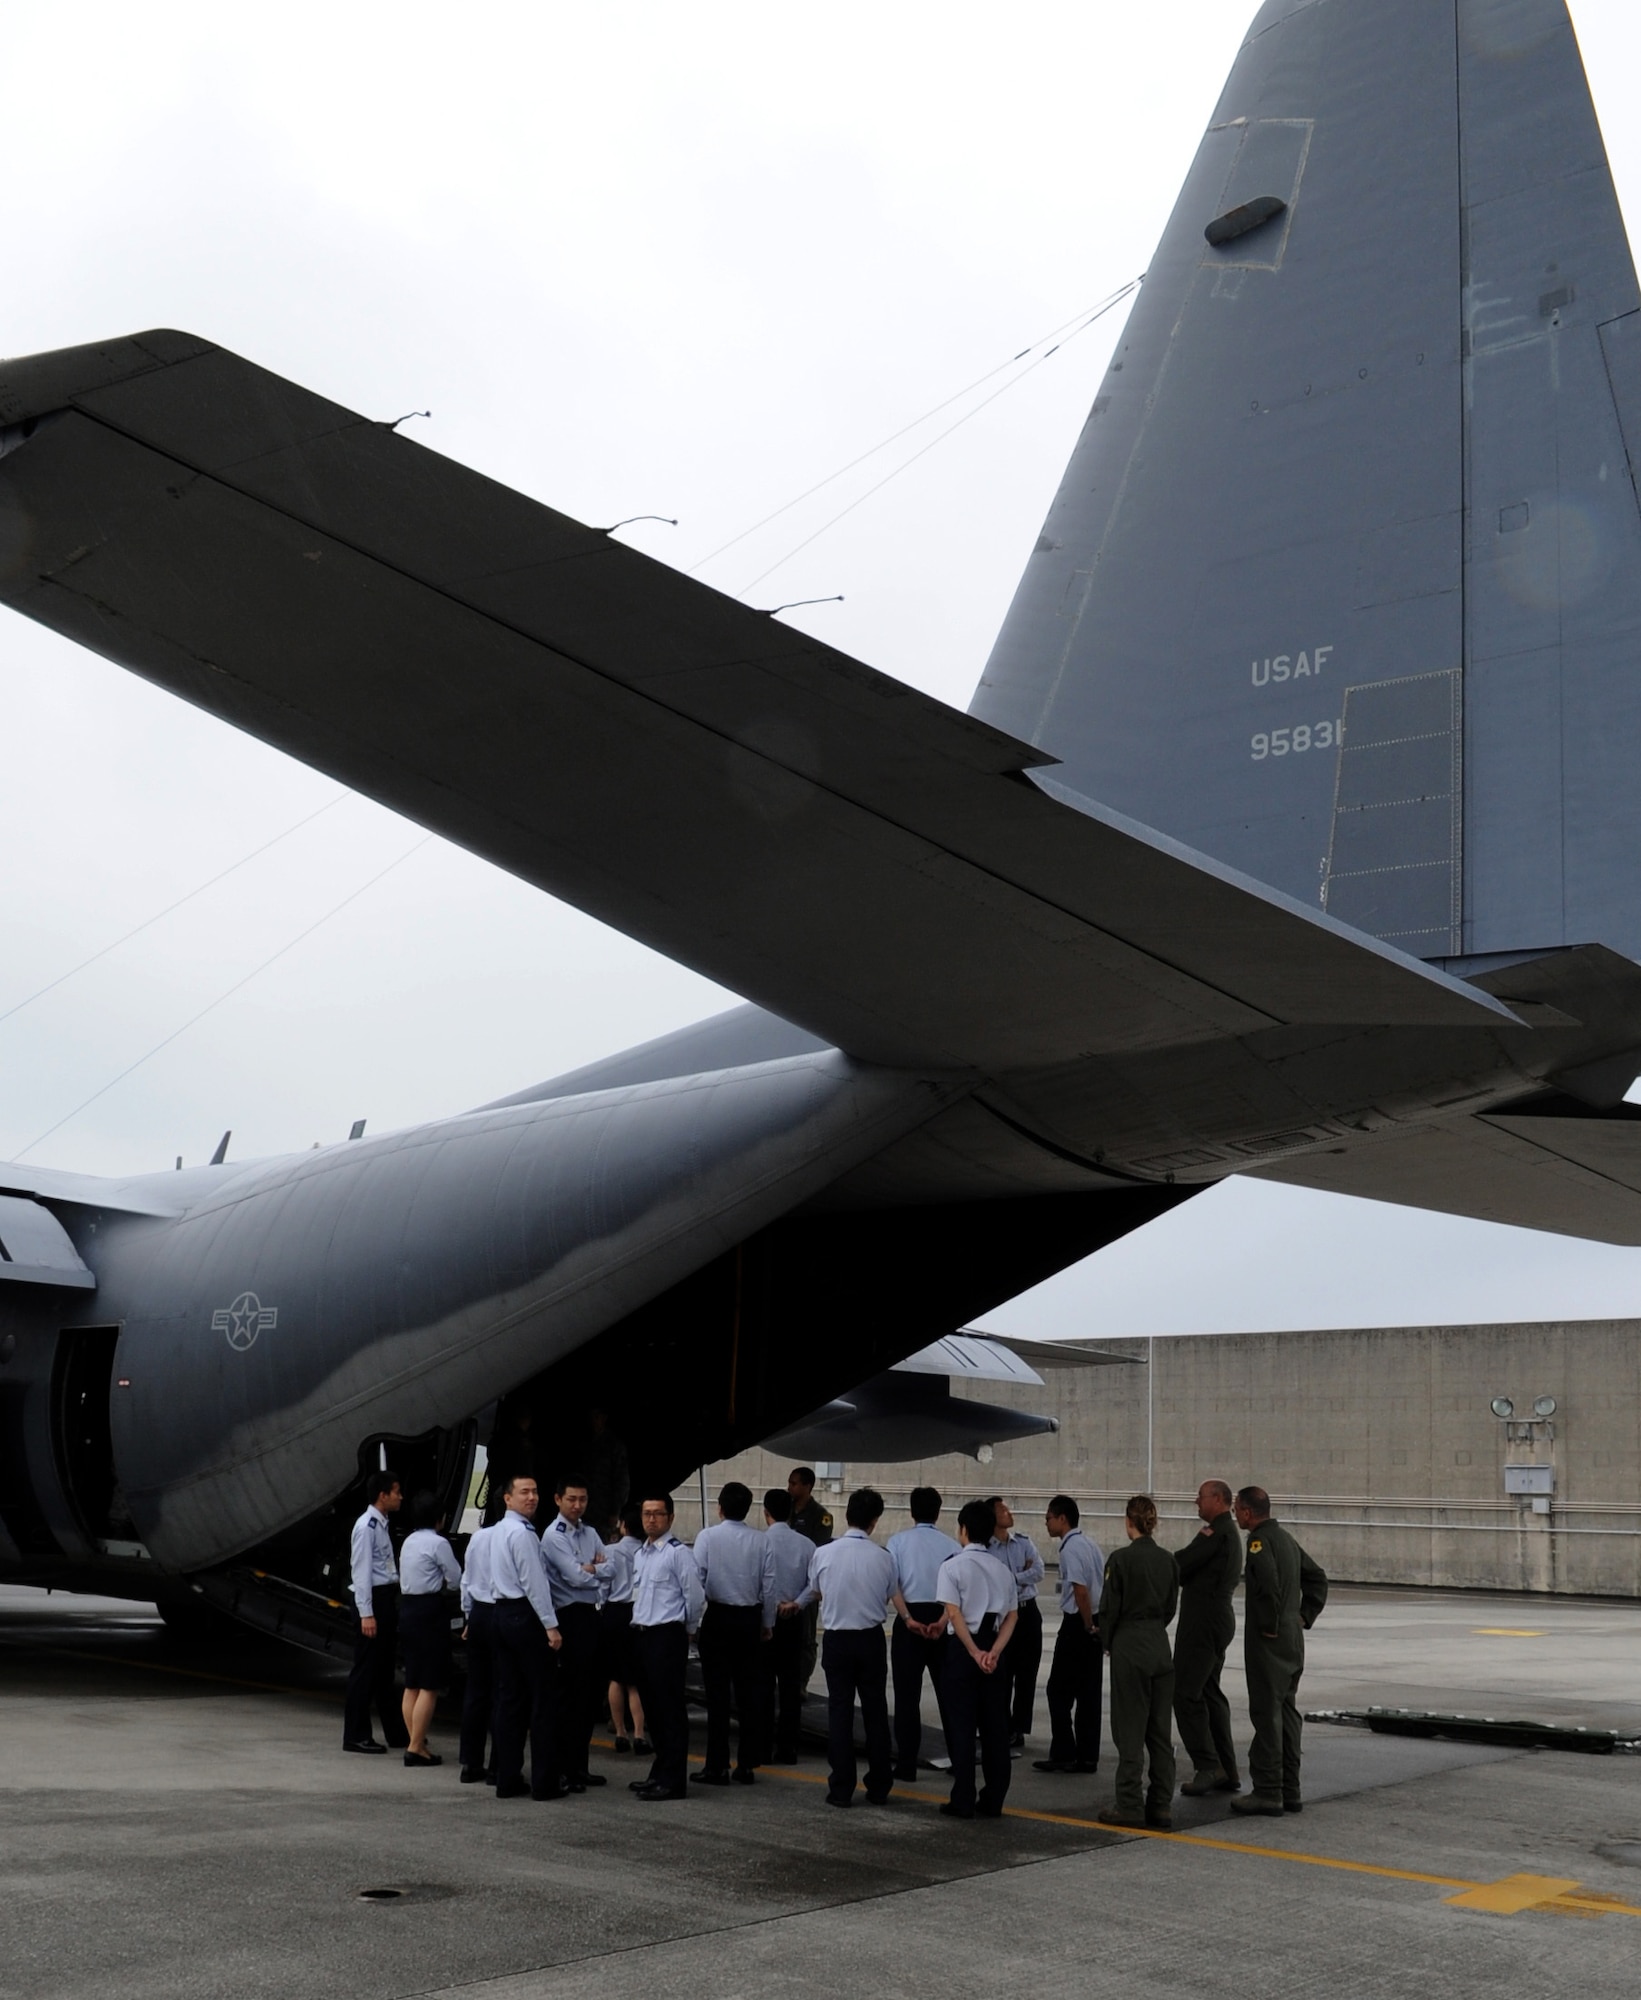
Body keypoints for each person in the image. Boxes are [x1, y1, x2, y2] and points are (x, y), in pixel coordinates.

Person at [1230, 1486, 1328, 1818]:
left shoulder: (1259, 1542)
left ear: (1247, 1512)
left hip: (1269, 1640)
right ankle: (1291, 1790)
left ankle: (1268, 1791)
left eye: (1236, 1509)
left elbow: (1268, 1582)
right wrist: (1303, 1615)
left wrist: (1271, 1622)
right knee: (1287, 1711)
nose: (1234, 1514)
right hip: (1291, 1637)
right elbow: (1317, 1578)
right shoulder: (1286, 1540)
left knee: (1266, 1712)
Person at [799, 1486, 897, 1808]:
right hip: (870, 1639)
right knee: (875, 1711)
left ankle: (841, 1787)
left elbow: (815, 1590)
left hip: (837, 1639)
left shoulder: (824, 1553)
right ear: (875, 1521)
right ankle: (880, 1785)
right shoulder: (884, 1557)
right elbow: (886, 1595)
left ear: (847, 1516)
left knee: (839, 1711)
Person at [1095, 1495, 1179, 1830]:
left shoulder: (1120, 1560)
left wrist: (1107, 1640)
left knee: (1129, 1729)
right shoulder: (1169, 1561)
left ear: (1129, 1521)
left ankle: (1129, 1803)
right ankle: (1161, 1805)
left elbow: (1110, 1608)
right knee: (1160, 1732)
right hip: (1159, 1645)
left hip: (1130, 1645)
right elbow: (1171, 1606)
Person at [936, 1498, 1017, 1820]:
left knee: (962, 1727)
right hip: (995, 1649)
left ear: (964, 1530)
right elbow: (1012, 1616)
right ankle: (994, 1798)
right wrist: (993, 1652)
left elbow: (953, 1614)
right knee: (996, 1729)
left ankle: (963, 1798)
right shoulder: (1003, 1569)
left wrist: (974, 1652)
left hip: (963, 1650)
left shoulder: (952, 1567)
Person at [692, 1480, 777, 1785]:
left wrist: (693, 1622)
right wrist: (767, 1624)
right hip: (749, 1619)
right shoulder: (762, 1541)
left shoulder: (707, 1537)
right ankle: (747, 1764)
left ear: (720, 1507)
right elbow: (769, 1587)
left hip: (717, 1617)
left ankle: (716, 1765)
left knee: (717, 1695)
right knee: (748, 1695)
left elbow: (696, 1581)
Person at [489, 1473, 565, 1800]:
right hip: (524, 1615)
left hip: (500, 1613)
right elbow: (535, 1583)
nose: (532, 1497)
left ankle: (506, 1778)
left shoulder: (495, 1531)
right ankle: (545, 1784)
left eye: (535, 1491)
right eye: (524, 1492)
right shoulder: (522, 1535)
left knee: (510, 1700)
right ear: (507, 1498)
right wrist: (550, 1625)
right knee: (542, 1701)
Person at [628, 1491, 705, 1801]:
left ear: (670, 1518)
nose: (651, 1519)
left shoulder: (678, 1554)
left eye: (658, 1514)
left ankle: (673, 1780)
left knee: (670, 1710)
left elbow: (695, 1597)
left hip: (667, 1636)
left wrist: (687, 1630)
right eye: (647, 1513)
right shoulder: (640, 1554)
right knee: (653, 1710)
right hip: (643, 1635)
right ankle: (659, 1771)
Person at [1172, 1479, 1244, 1796]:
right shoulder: (1225, 1532)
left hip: (1203, 1623)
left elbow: (1183, 1564)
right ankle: (1226, 1768)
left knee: (1185, 1693)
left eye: (1200, 1497)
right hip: (1215, 1620)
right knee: (1210, 1694)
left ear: (1218, 1499)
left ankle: (1207, 1765)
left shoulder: (1216, 1532)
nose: (1196, 1502)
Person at [540, 1476, 609, 1792]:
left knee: (587, 1698)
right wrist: (594, 1571)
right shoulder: (554, 1536)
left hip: (590, 1616)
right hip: (567, 1617)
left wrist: (592, 1571)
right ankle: (564, 1769)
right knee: (568, 1698)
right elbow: (574, 1577)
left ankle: (580, 1767)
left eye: (582, 1499)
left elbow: (611, 1571)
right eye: (571, 1499)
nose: (578, 1505)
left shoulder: (591, 1532)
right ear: (558, 1500)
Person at [886, 1487, 960, 1779]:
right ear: (938, 1512)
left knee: (907, 1697)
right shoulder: (952, 1544)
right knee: (949, 1695)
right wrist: (943, 1620)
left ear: (912, 1511)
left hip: (910, 1620)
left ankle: (906, 1764)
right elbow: (957, 1590)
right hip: (943, 1619)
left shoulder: (898, 1542)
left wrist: (907, 1619)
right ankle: (958, 1759)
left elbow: (894, 1585)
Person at [1034, 1494, 1104, 1774]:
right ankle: (1087, 1756)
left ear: (1063, 1519)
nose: (1046, 1522)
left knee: (1057, 1691)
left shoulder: (1070, 1549)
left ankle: (1064, 1751)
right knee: (1089, 1693)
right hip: (1094, 1620)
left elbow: (1080, 1590)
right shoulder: (1090, 1543)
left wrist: (1086, 1625)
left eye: (1049, 1517)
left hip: (1078, 1624)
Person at [343, 1469, 410, 1754]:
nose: (400, 1497)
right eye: (396, 1492)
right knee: (365, 1671)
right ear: (383, 1496)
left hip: (385, 1597)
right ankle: (355, 1735)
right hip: (372, 1601)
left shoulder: (381, 1523)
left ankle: (396, 1733)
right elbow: (361, 1574)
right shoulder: (366, 1526)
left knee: (384, 1672)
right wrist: (366, 1614)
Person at [398, 1490, 462, 1767]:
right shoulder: (438, 1543)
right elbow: (456, 1579)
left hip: (408, 1609)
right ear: (440, 1518)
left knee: (412, 1682)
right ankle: (415, 1747)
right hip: (429, 1610)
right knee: (430, 1684)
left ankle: (416, 1740)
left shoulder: (409, 1541)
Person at [987, 1497, 1046, 1749]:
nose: (1008, 1512)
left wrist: (1010, 1577)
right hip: (1003, 1615)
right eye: (1002, 1509)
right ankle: (1000, 1724)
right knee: (1003, 1673)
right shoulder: (986, 1549)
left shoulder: (1023, 1542)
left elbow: (1039, 1571)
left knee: (1027, 1674)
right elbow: (992, 1580)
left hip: (1028, 1612)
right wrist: (1022, 1575)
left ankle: (1018, 1728)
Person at [763, 1488, 816, 1762]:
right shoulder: (807, 1545)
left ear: (765, 1513)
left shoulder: (759, 1543)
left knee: (761, 1686)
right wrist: (796, 1602)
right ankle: (787, 1748)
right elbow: (815, 1584)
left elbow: (757, 1582)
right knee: (790, 1687)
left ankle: (760, 1745)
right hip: (794, 1619)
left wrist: (771, 1607)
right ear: (792, 1512)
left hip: (764, 1620)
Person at [602, 1502, 648, 1755]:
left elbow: (601, 1588)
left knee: (615, 1677)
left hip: (614, 1612)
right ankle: (640, 1733)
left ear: (624, 1526)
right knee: (636, 1680)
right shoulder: (647, 1551)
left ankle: (619, 1731)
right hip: (638, 1613)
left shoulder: (611, 1551)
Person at [459, 1513, 499, 1783]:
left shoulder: (478, 1538)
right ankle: (499, 1763)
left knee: (476, 1692)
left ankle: (471, 1763)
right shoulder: (521, 1535)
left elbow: (466, 1581)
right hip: (503, 1612)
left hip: (479, 1614)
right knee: (503, 1691)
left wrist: (468, 1617)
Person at [788, 1466, 834, 1692]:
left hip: (806, 1584)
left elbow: (819, 1552)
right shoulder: (785, 1510)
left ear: (808, 1486)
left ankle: (801, 1683)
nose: (790, 1488)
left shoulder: (820, 1516)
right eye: (790, 1483)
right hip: (784, 1581)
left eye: (795, 1483)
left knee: (806, 1636)